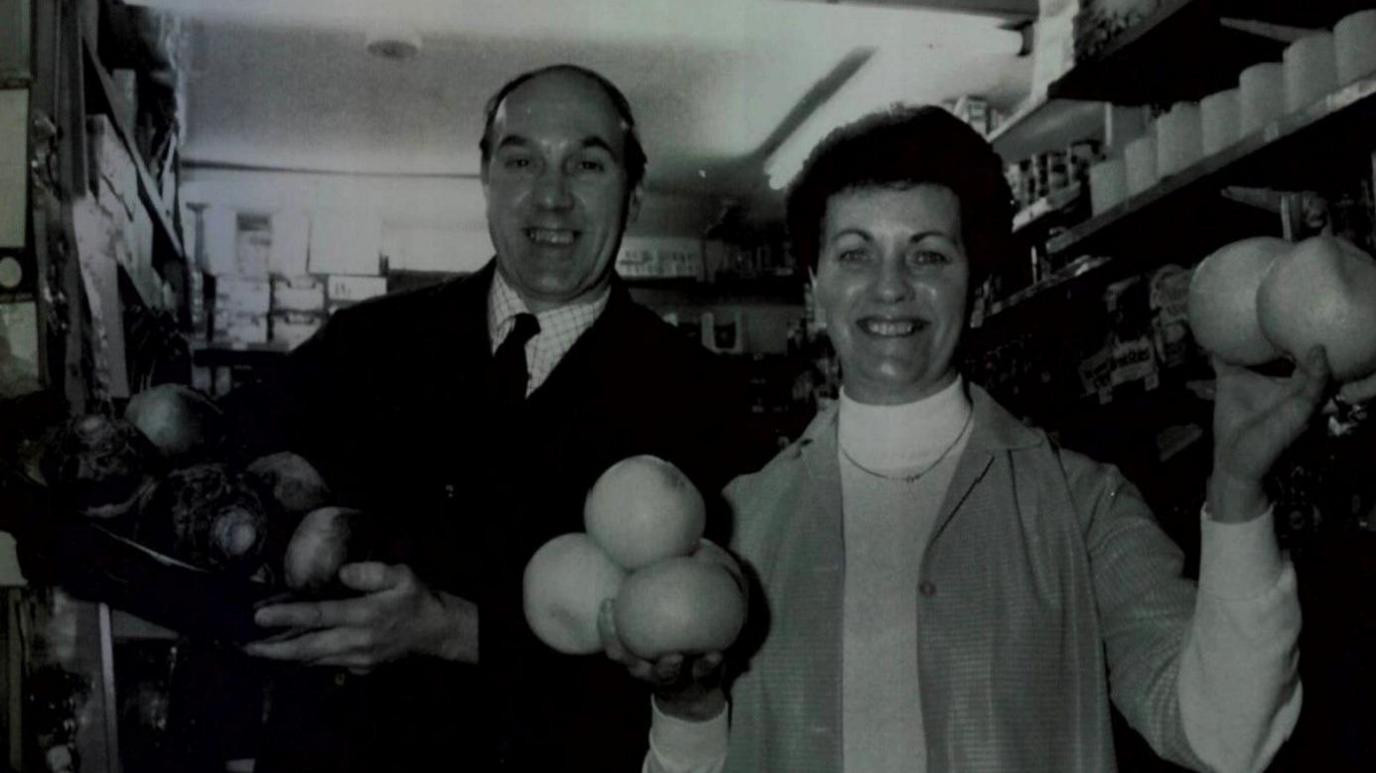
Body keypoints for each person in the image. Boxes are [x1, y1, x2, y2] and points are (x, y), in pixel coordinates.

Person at [612, 104, 1376, 772]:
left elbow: (1225, 739)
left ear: (976, 288)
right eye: (854, 254)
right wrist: (687, 707)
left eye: (929, 254)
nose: (890, 287)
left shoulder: (1083, 504)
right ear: (814, 287)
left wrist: (1238, 493)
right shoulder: (738, 524)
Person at [224, 64, 763, 771]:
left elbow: (697, 661)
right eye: (521, 160)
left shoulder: (702, 399)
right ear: (485, 176)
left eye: (588, 164)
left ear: (632, 193)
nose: (551, 194)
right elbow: (212, 493)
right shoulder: (362, 344)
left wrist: (453, 629)